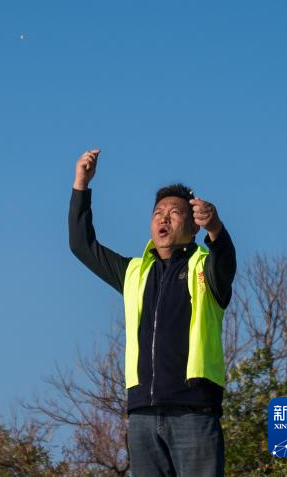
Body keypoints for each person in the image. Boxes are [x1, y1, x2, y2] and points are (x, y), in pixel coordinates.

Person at [69, 149, 236, 476]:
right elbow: (81, 245)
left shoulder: (205, 267)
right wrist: (81, 184)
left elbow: (225, 259)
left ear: (193, 224)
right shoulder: (134, 272)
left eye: (174, 212)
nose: (164, 218)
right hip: (142, 417)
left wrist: (216, 228)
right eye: (158, 212)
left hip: (194, 414)